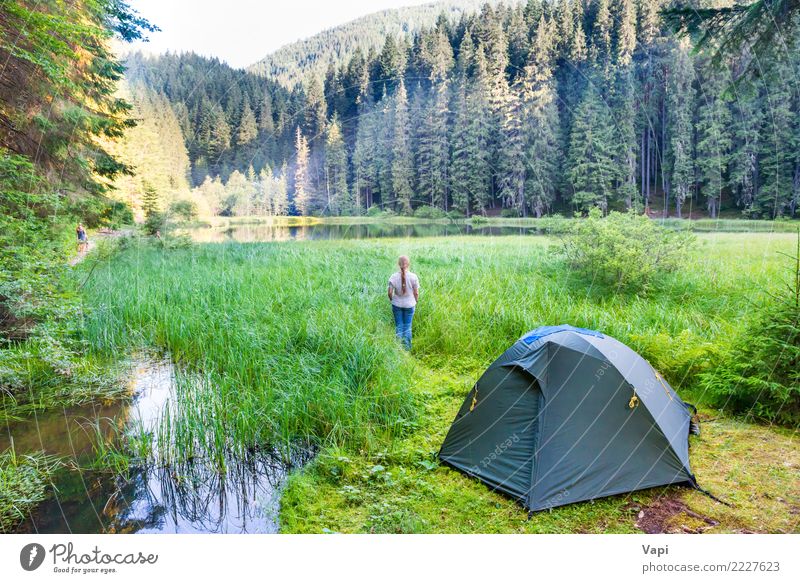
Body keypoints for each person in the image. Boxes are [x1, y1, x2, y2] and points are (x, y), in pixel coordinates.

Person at [387, 255, 419, 350]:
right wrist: (415, 301)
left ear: (398, 264)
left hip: (396, 305)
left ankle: (398, 349)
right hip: (410, 305)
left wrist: (392, 299)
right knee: (407, 326)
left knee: (399, 326)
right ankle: (407, 349)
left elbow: (389, 292)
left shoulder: (393, 277)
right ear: (408, 264)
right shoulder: (413, 277)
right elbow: (416, 292)